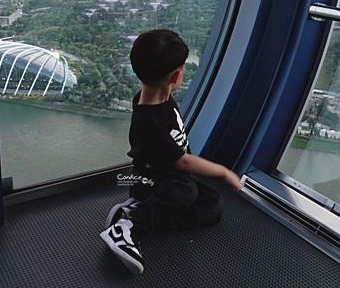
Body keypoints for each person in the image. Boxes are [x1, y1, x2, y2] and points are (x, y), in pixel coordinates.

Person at [100, 28, 242, 275]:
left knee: (212, 206)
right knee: (186, 189)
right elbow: (183, 162)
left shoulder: (160, 97)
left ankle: (135, 211)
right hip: (148, 180)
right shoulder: (148, 121)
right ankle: (128, 227)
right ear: (176, 76)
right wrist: (223, 172)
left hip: (170, 178)